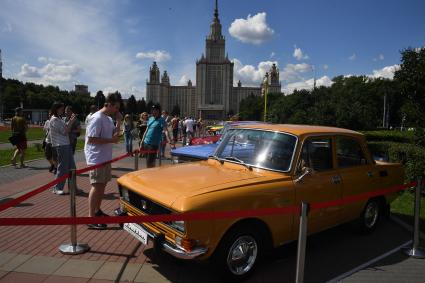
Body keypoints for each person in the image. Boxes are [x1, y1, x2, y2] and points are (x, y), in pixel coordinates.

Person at [84, 92, 122, 229]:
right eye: (116, 107)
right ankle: (90, 217)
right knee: (96, 186)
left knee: (102, 185)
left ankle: (97, 211)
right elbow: (92, 139)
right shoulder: (97, 118)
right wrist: (111, 140)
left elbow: (115, 137)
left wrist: (119, 122)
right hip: (96, 158)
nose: (117, 110)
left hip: (105, 157)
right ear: (109, 104)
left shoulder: (108, 119)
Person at [49, 102, 77, 195]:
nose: (63, 111)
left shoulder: (59, 119)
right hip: (61, 145)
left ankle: (73, 188)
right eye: (61, 109)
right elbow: (65, 131)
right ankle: (56, 188)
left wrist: (70, 121)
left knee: (72, 168)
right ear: (56, 109)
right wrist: (71, 122)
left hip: (66, 145)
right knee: (63, 168)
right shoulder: (54, 120)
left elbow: (65, 128)